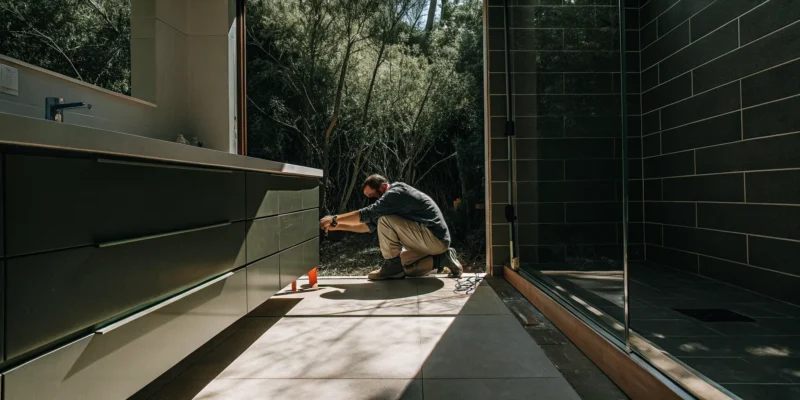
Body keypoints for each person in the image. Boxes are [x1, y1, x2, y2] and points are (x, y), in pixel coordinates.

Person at [319, 174, 463, 280]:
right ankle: (443, 259)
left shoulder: (395, 193)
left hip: (434, 238)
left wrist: (335, 218)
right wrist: (337, 225)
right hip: (431, 243)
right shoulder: (391, 201)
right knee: (405, 265)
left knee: (384, 221)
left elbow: (367, 213)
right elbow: (368, 226)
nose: (373, 199)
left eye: (373, 195)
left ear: (382, 187)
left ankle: (392, 266)